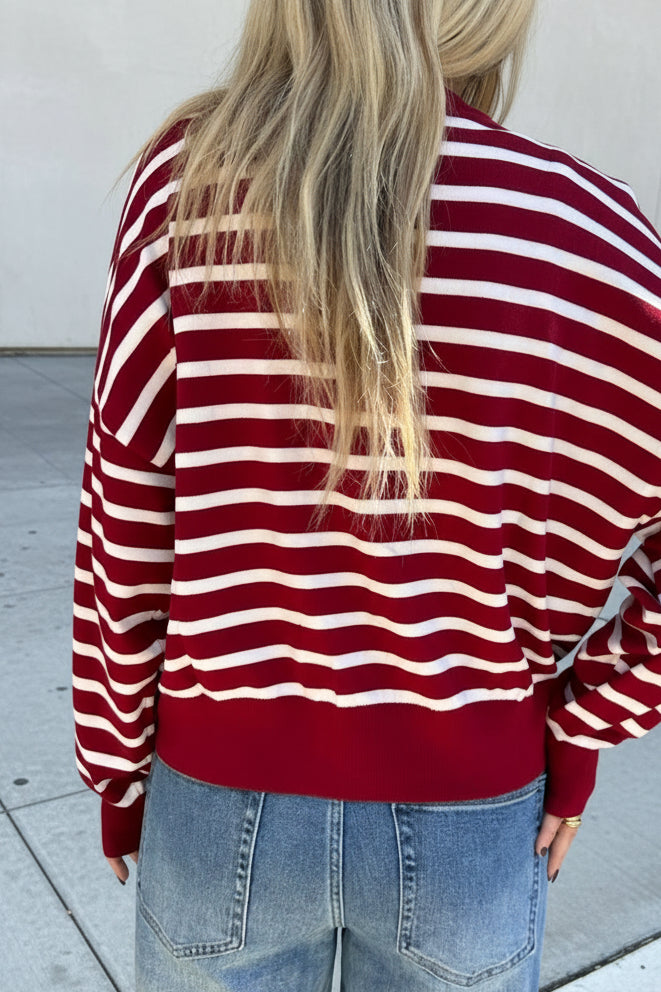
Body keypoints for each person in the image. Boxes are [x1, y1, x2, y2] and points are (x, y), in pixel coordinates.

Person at [71, 1, 661, 989]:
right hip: (474, 815)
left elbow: (124, 519)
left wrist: (118, 766)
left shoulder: (189, 184)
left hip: (218, 803)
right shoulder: (590, 232)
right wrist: (581, 726)